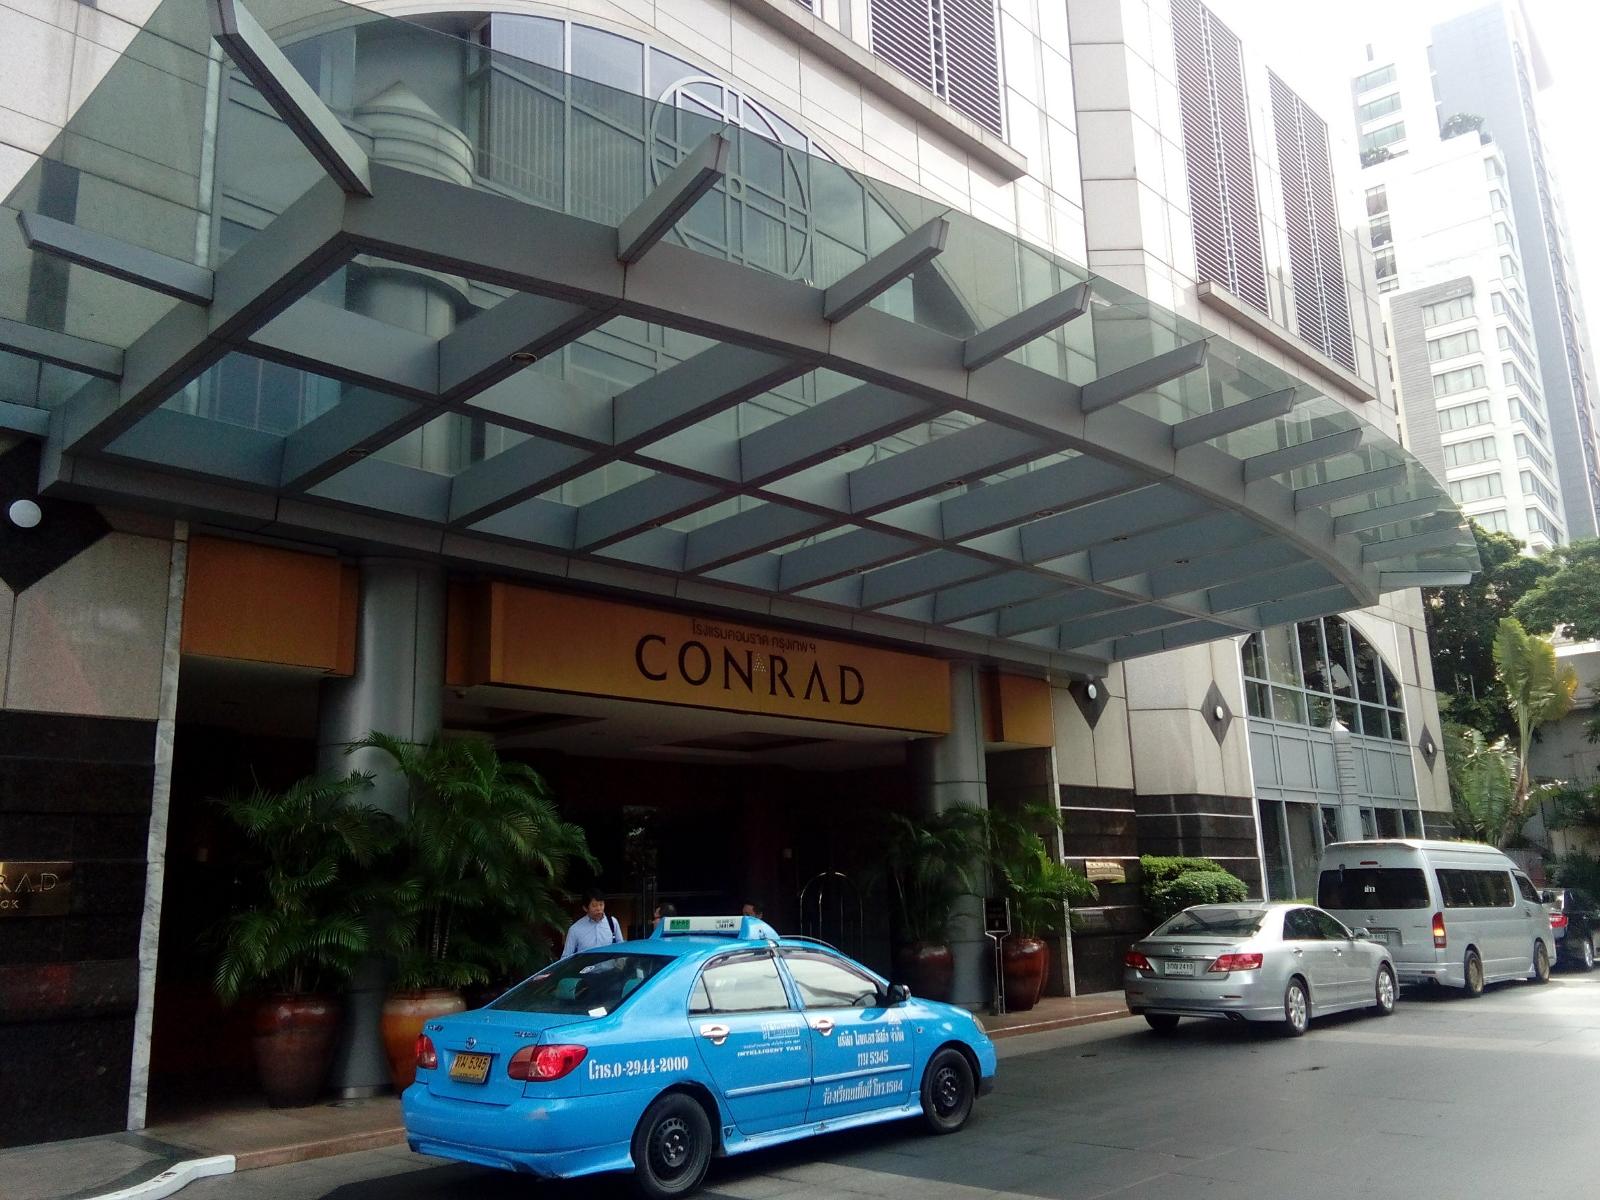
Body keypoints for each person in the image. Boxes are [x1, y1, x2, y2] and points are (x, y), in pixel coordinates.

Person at [561, 889, 624, 958]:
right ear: (585, 908)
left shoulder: (612, 922)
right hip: (586, 965)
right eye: (594, 905)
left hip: (609, 965)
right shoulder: (575, 929)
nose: (598, 909)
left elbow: (621, 947)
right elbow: (566, 957)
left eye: (601, 904)